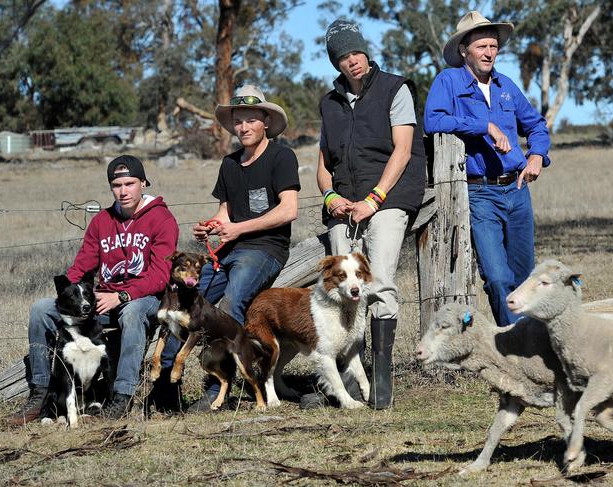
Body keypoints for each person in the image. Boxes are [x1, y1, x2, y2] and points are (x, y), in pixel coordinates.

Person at [159, 84, 300, 413]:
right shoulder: (230, 163)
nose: (244, 127)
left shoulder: (281, 156)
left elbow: (288, 210)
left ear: (265, 121)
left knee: (231, 302)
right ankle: (165, 389)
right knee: (182, 296)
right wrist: (210, 226)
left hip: (265, 249)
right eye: (239, 121)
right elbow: (225, 214)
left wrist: (238, 228)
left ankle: (216, 390)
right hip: (230, 249)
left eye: (251, 119)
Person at [8, 155, 179, 425]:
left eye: (130, 183)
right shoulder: (101, 221)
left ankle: (121, 397)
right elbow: (80, 268)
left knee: (133, 314)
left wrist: (121, 296)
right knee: (41, 309)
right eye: (116, 185)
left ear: (143, 183)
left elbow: (160, 275)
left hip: (143, 299)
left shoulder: (162, 219)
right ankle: (40, 393)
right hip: (102, 301)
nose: (123, 191)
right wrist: (67, 297)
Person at [313, 19, 426, 410]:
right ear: (336, 64)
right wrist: (330, 197)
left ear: (366, 52)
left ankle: (381, 381)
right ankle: (344, 377)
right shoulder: (329, 103)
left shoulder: (396, 89)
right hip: (345, 201)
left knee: (377, 281)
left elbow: (403, 150)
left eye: (356, 52)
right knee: (341, 288)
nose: (352, 61)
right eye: (343, 57)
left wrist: (375, 198)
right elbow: (323, 164)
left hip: (389, 198)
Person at [424, 11, 551, 326]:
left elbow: (536, 125)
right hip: (480, 192)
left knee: (525, 275)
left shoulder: (506, 86)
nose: (489, 53)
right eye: (481, 47)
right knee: (496, 276)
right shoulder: (449, 81)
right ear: (464, 50)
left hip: (517, 190)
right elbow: (433, 120)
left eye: (493, 46)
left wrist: (537, 156)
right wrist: (484, 125)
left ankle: (529, 343)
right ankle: (512, 339)